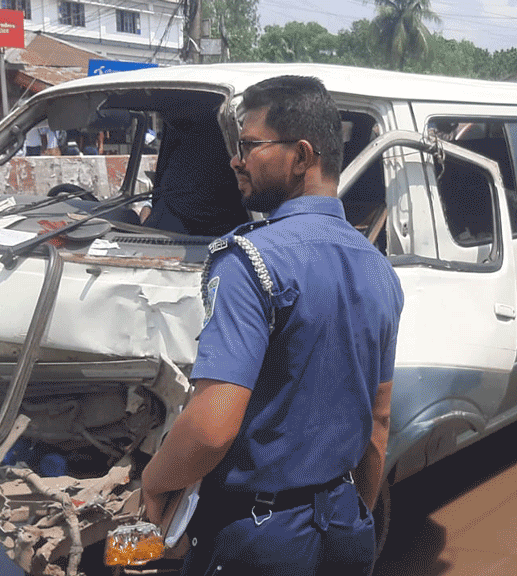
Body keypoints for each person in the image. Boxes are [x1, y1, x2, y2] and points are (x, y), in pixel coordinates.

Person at [140, 75, 404, 575]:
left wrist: (154, 481)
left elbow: (212, 428)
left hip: (260, 540)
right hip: (347, 528)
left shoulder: (249, 260)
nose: (236, 160)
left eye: (249, 146)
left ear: (301, 155)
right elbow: (379, 421)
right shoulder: (379, 268)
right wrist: (357, 513)